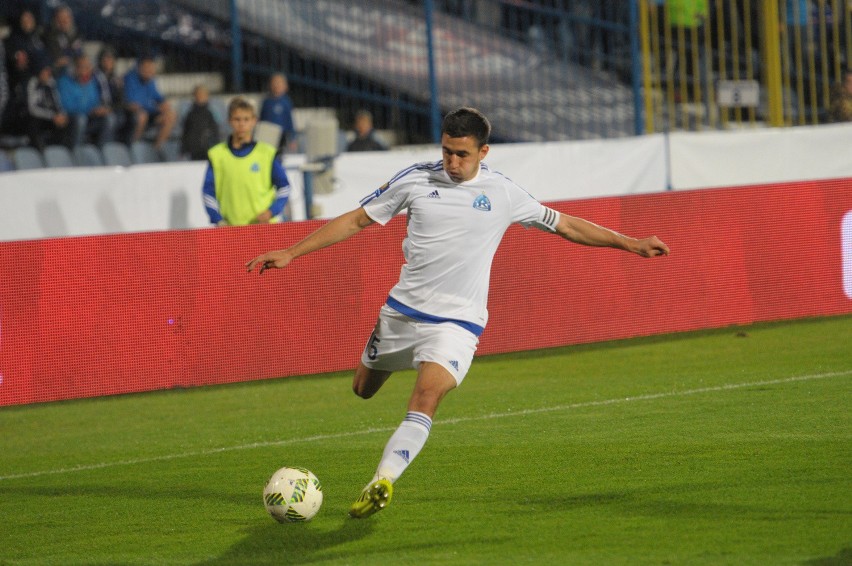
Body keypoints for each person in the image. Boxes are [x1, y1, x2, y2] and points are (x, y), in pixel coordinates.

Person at [245, 107, 670, 518]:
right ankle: (384, 407)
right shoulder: (415, 180)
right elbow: (358, 220)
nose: (452, 161)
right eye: (447, 150)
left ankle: (382, 481)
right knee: (362, 389)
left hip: (457, 323)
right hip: (401, 314)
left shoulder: (502, 192)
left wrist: (630, 243)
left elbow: (566, 225)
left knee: (426, 395)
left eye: (462, 154)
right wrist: (292, 252)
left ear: (483, 152)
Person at [202, 96, 291, 226]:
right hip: (231, 228)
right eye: (237, 119)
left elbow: (284, 186)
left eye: (246, 119)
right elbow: (208, 191)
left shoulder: (266, 153)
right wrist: (218, 219)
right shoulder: (217, 155)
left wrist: (271, 211)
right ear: (229, 121)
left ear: (254, 121)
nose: (242, 124)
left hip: (264, 228)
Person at [57, 53, 116, 148]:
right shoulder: (64, 82)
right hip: (71, 119)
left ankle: (103, 151)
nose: (87, 71)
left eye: (88, 67)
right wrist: (90, 110)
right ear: (74, 68)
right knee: (81, 120)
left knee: (110, 118)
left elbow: (95, 101)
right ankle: (76, 151)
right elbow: (66, 106)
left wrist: (100, 109)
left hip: (90, 117)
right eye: (83, 67)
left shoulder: (91, 82)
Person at [123, 55, 177, 149]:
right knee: (142, 116)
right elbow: (135, 104)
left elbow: (158, 97)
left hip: (149, 113)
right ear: (139, 67)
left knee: (171, 115)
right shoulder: (130, 78)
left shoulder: (150, 80)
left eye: (152, 67)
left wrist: (164, 104)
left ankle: (157, 148)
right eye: (147, 67)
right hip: (131, 115)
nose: (150, 70)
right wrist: (155, 107)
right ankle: (134, 147)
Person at [25, 54, 71, 150]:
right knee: (33, 122)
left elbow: (57, 102)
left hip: (51, 117)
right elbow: (32, 109)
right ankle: (39, 149)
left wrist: (61, 115)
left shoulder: (51, 83)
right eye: (46, 70)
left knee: (66, 122)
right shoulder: (32, 83)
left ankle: (60, 149)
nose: (48, 73)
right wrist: (52, 116)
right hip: (39, 117)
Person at [180, 84, 221, 160]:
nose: (200, 97)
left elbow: (216, 130)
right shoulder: (190, 114)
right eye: (198, 95)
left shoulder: (212, 112)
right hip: (194, 148)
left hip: (208, 147)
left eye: (203, 95)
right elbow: (186, 132)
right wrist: (183, 149)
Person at [259, 72, 296, 154]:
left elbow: (289, 121)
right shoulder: (266, 101)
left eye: (280, 83)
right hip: (268, 134)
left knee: (280, 154)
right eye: (274, 83)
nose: (277, 85)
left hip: (282, 135)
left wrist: (292, 138)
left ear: (285, 86)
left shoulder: (286, 102)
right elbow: (261, 119)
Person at [42, 4, 83, 74]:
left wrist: (70, 57)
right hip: (55, 72)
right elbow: (58, 59)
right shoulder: (50, 35)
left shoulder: (76, 33)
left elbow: (79, 54)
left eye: (67, 17)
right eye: (61, 18)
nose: (65, 21)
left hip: (74, 71)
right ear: (56, 20)